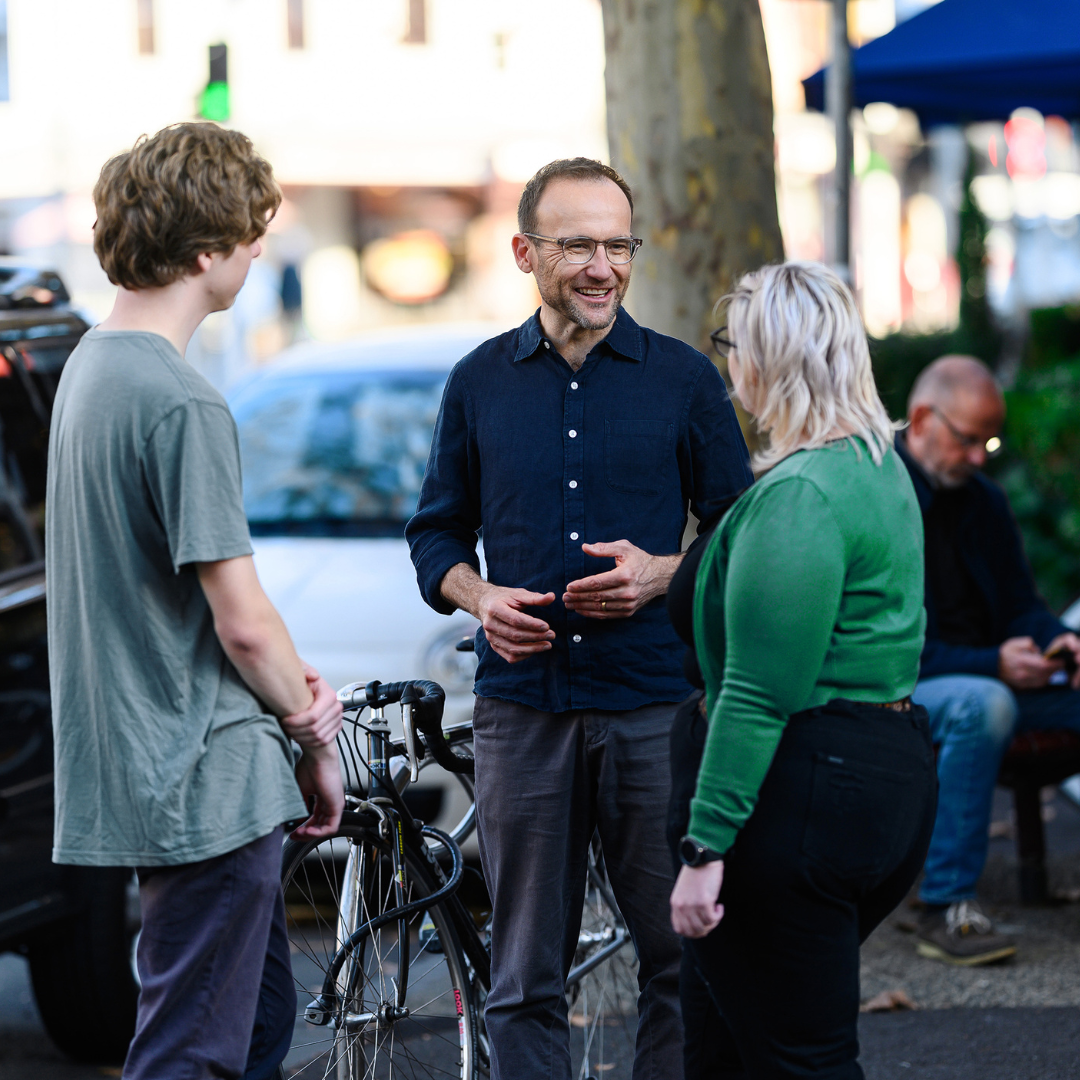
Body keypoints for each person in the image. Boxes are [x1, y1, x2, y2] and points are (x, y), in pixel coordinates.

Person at [406, 157, 753, 1079]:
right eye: (577, 246)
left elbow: (743, 534)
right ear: (525, 252)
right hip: (522, 711)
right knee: (523, 974)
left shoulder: (682, 379)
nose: (602, 266)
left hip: (653, 707)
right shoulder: (477, 382)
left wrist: (662, 574)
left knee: (679, 957)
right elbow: (435, 533)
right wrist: (479, 598)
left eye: (617, 244)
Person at [46, 123, 345, 1080]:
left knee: (256, 1025)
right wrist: (314, 730)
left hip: (148, 769)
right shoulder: (180, 398)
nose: (261, 251)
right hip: (205, 780)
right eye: (253, 232)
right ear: (209, 249)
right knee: (191, 1053)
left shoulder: (92, 368)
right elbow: (242, 618)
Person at [669, 261, 937, 1079]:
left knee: (799, 1061)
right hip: (876, 776)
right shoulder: (877, 466)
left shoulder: (803, 496)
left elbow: (756, 692)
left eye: (732, 345)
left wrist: (704, 849)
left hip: (799, 800)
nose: (727, 364)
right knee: (726, 1046)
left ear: (769, 358)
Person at [897, 355, 1080, 965]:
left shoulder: (985, 501)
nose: (980, 456)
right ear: (923, 418)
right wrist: (994, 665)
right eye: (968, 439)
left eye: (989, 441)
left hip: (987, 678)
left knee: (1000, 694)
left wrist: (1059, 642)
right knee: (985, 703)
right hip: (893, 689)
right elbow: (892, 646)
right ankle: (945, 906)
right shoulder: (877, 492)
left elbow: (1022, 607)